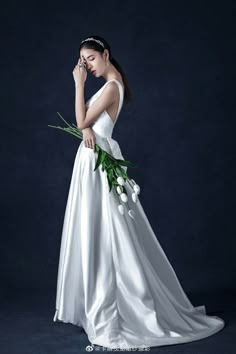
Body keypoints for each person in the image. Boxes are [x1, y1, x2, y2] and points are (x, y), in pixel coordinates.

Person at [53, 35, 225, 350]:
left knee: (110, 233)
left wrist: (78, 86)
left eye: (90, 58)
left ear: (105, 54)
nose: (86, 66)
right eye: (82, 61)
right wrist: (87, 127)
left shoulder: (112, 86)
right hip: (92, 161)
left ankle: (123, 302)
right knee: (98, 229)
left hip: (98, 163)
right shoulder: (106, 87)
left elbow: (80, 121)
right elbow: (84, 125)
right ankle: (97, 299)